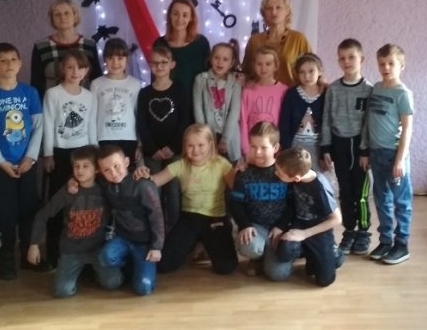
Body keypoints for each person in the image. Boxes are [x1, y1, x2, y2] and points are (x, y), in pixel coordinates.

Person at [0, 42, 44, 280]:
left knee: (29, 209)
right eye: (3, 61)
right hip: (1, 167)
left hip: (26, 164)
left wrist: (30, 157)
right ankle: (6, 257)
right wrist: (1, 162)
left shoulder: (30, 93)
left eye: (13, 59)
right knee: (4, 213)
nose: (9, 65)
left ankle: (28, 255)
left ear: (20, 63)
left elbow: (38, 127)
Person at [134, 123, 238, 275]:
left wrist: (243, 170)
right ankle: (196, 243)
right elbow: (154, 181)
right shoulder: (181, 165)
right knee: (164, 265)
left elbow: (238, 186)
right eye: (190, 146)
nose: (195, 150)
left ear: (210, 144)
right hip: (189, 218)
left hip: (215, 219)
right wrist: (142, 174)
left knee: (226, 267)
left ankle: (204, 243)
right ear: (185, 146)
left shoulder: (221, 164)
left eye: (200, 145)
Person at [27, 146, 118, 297]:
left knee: (113, 283)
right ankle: (80, 272)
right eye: (76, 166)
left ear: (96, 169)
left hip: (97, 249)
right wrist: (34, 244)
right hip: (72, 250)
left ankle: (89, 272)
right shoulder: (67, 191)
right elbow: (42, 215)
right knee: (62, 292)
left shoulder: (105, 189)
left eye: (85, 166)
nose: (80, 171)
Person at [41, 49, 97, 268]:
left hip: (84, 154)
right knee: (58, 203)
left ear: (86, 71)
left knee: (82, 204)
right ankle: (54, 254)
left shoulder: (89, 96)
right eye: (70, 67)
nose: (75, 72)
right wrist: (48, 154)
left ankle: (83, 253)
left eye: (80, 67)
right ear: (62, 69)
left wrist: (95, 153)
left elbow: (91, 125)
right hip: (60, 153)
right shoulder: (53, 94)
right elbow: (48, 124)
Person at [360, 43, 414, 265]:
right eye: (382, 63)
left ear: (402, 66)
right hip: (376, 154)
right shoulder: (376, 88)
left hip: (395, 156)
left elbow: (407, 128)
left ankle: (402, 244)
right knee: (382, 200)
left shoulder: (403, 94)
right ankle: (385, 241)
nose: (386, 68)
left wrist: (400, 159)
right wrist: (365, 151)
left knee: (401, 201)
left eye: (391, 63)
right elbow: (368, 121)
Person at [321, 38, 374, 256]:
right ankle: (349, 230)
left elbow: (369, 123)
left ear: (362, 59)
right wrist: (325, 147)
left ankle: (364, 231)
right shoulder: (333, 89)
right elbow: (326, 119)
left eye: (351, 57)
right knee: (345, 192)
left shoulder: (369, 90)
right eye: (342, 58)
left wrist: (365, 150)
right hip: (339, 146)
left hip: (360, 148)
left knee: (361, 193)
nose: (347, 62)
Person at [96, 144, 165, 296]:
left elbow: (157, 216)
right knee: (105, 257)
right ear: (100, 172)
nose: (113, 173)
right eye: (106, 170)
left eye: (116, 166)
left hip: (145, 244)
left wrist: (156, 247)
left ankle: (139, 267)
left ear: (126, 162)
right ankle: (129, 267)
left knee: (144, 289)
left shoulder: (142, 185)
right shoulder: (107, 185)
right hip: (123, 238)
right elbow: (85, 175)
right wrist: (72, 181)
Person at [229, 122, 292, 280]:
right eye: (253, 147)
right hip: (256, 227)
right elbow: (235, 203)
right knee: (250, 246)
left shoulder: (285, 171)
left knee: (279, 275)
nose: (257, 153)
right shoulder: (244, 173)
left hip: (279, 229)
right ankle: (257, 258)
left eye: (263, 148)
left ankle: (272, 255)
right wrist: (245, 225)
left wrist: (281, 226)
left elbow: (293, 204)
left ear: (275, 148)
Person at [137, 44, 191, 227]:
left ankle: (174, 229)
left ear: (172, 64)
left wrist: (172, 147)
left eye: (163, 62)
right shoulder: (144, 93)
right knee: (153, 190)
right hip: (152, 152)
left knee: (174, 189)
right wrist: (153, 149)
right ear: (149, 65)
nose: (159, 67)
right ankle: (157, 229)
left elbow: (184, 120)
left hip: (174, 150)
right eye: (154, 63)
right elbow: (142, 124)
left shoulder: (180, 89)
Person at [273, 147, 344, 287]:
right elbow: (292, 205)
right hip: (300, 223)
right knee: (284, 252)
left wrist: (304, 234)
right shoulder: (296, 175)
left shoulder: (320, 187)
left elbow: (337, 219)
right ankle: (311, 253)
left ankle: (335, 254)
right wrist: (280, 227)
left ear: (296, 178)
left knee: (325, 280)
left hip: (318, 229)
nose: (276, 173)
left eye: (279, 173)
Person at [30, 0, 102, 98]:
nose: (62, 17)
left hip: (84, 102)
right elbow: (36, 83)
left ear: (75, 16)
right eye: (57, 14)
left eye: (67, 13)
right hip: (52, 103)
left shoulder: (89, 45)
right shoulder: (41, 47)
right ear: (52, 19)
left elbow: (97, 79)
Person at [242, 0, 312, 86]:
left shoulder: (298, 39)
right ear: (263, 13)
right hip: (261, 93)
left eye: (278, 7)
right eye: (269, 8)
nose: (274, 12)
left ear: (287, 11)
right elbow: (246, 72)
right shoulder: (254, 40)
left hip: (291, 93)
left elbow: (311, 67)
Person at [90, 38, 141, 164]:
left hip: (129, 138)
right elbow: (92, 116)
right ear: (104, 59)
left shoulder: (135, 84)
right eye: (110, 58)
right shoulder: (96, 84)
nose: (115, 62)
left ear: (127, 59)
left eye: (120, 58)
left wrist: (140, 144)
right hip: (104, 138)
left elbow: (138, 115)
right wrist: (93, 143)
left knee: (126, 172)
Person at [193, 40, 242, 163]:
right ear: (211, 58)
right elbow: (198, 108)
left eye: (225, 59)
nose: (220, 62)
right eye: (216, 58)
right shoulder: (201, 79)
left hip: (229, 135)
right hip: (208, 134)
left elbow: (234, 111)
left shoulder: (235, 82)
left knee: (230, 168)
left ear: (231, 63)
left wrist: (225, 139)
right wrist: (205, 136)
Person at [238, 46, 287, 169]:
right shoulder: (248, 91)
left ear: (276, 66)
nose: (263, 68)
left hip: (274, 149)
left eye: (268, 64)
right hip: (253, 149)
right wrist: (246, 150)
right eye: (259, 64)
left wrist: (280, 148)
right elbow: (243, 121)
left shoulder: (284, 91)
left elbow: (285, 122)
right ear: (254, 65)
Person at [153, 0, 210, 96]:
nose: (180, 19)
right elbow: (155, 77)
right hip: (167, 99)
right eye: (175, 14)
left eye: (185, 15)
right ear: (170, 16)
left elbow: (210, 74)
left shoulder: (201, 43)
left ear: (191, 18)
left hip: (196, 100)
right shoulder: (160, 44)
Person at [279, 53, 326, 171]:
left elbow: (329, 124)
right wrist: (285, 149)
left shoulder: (326, 93)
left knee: (317, 177)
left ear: (319, 71)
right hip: (296, 146)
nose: (307, 76)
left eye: (311, 71)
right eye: (302, 72)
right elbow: (285, 123)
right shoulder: (292, 94)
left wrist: (326, 151)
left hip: (318, 146)